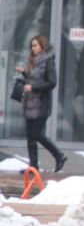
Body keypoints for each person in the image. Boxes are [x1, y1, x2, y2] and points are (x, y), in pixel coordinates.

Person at [15, 35, 67, 173]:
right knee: (30, 136)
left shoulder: (48, 61)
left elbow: (52, 82)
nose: (33, 48)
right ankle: (33, 167)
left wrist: (33, 88)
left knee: (37, 134)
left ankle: (59, 155)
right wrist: (25, 72)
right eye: (32, 46)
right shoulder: (33, 60)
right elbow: (35, 78)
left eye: (36, 45)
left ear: (42, 46)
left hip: (41, 104)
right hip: (29, 102)